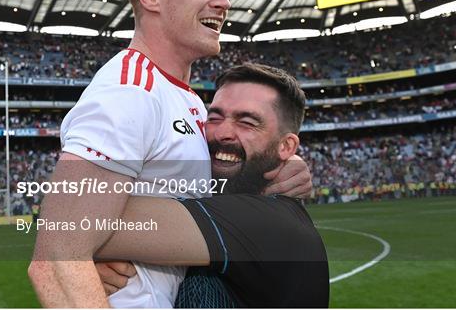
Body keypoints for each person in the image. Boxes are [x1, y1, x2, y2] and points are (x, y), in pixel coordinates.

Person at [28, 0, 311, 308]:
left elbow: (197, 201)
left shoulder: (188, 100)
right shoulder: (129, 92)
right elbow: (56, 256)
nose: (224, 0)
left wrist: (281, 170)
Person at [49, 64, 330, 307]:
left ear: (286, 145)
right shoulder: (225, 205)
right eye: (215, 117)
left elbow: (69, 220)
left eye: (247, 122)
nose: (222, 132)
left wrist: (82, 253)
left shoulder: (268, 223)